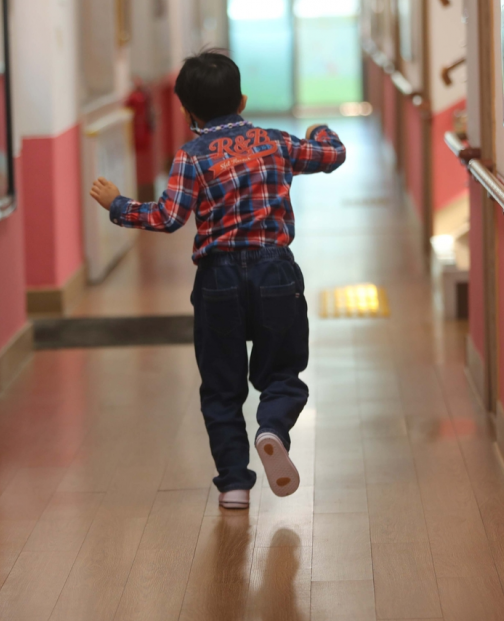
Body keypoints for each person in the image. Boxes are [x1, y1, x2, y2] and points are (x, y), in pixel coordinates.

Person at [90, 50, 346, 510]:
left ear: (187, 112)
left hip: (218, 280)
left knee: (221, 388)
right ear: (243, 99)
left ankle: (233, 483)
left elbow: (168, 217)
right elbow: (333, 154)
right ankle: (272, 427)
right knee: (283, 372)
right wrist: (319, 132)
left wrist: (117, 204)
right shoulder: (275, 142)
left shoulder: (191, 156)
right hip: (275, 273)